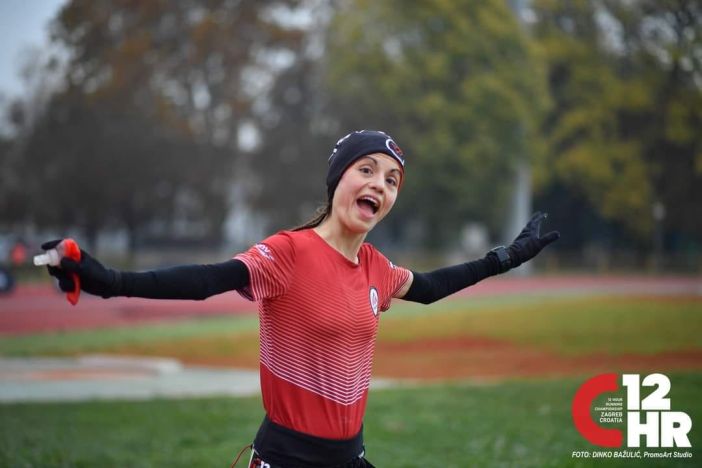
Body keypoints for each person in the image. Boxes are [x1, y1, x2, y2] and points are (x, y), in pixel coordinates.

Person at [42, 130, 559, 468]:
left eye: (392, 179)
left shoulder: (376, 266)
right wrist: (107, 279)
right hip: (287, 459)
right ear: (339, 179)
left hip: (349, 458)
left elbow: (429, 288)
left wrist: (509, 256)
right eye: (367, 169)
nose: (380, 183)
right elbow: (206, 279)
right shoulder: (289, 252)